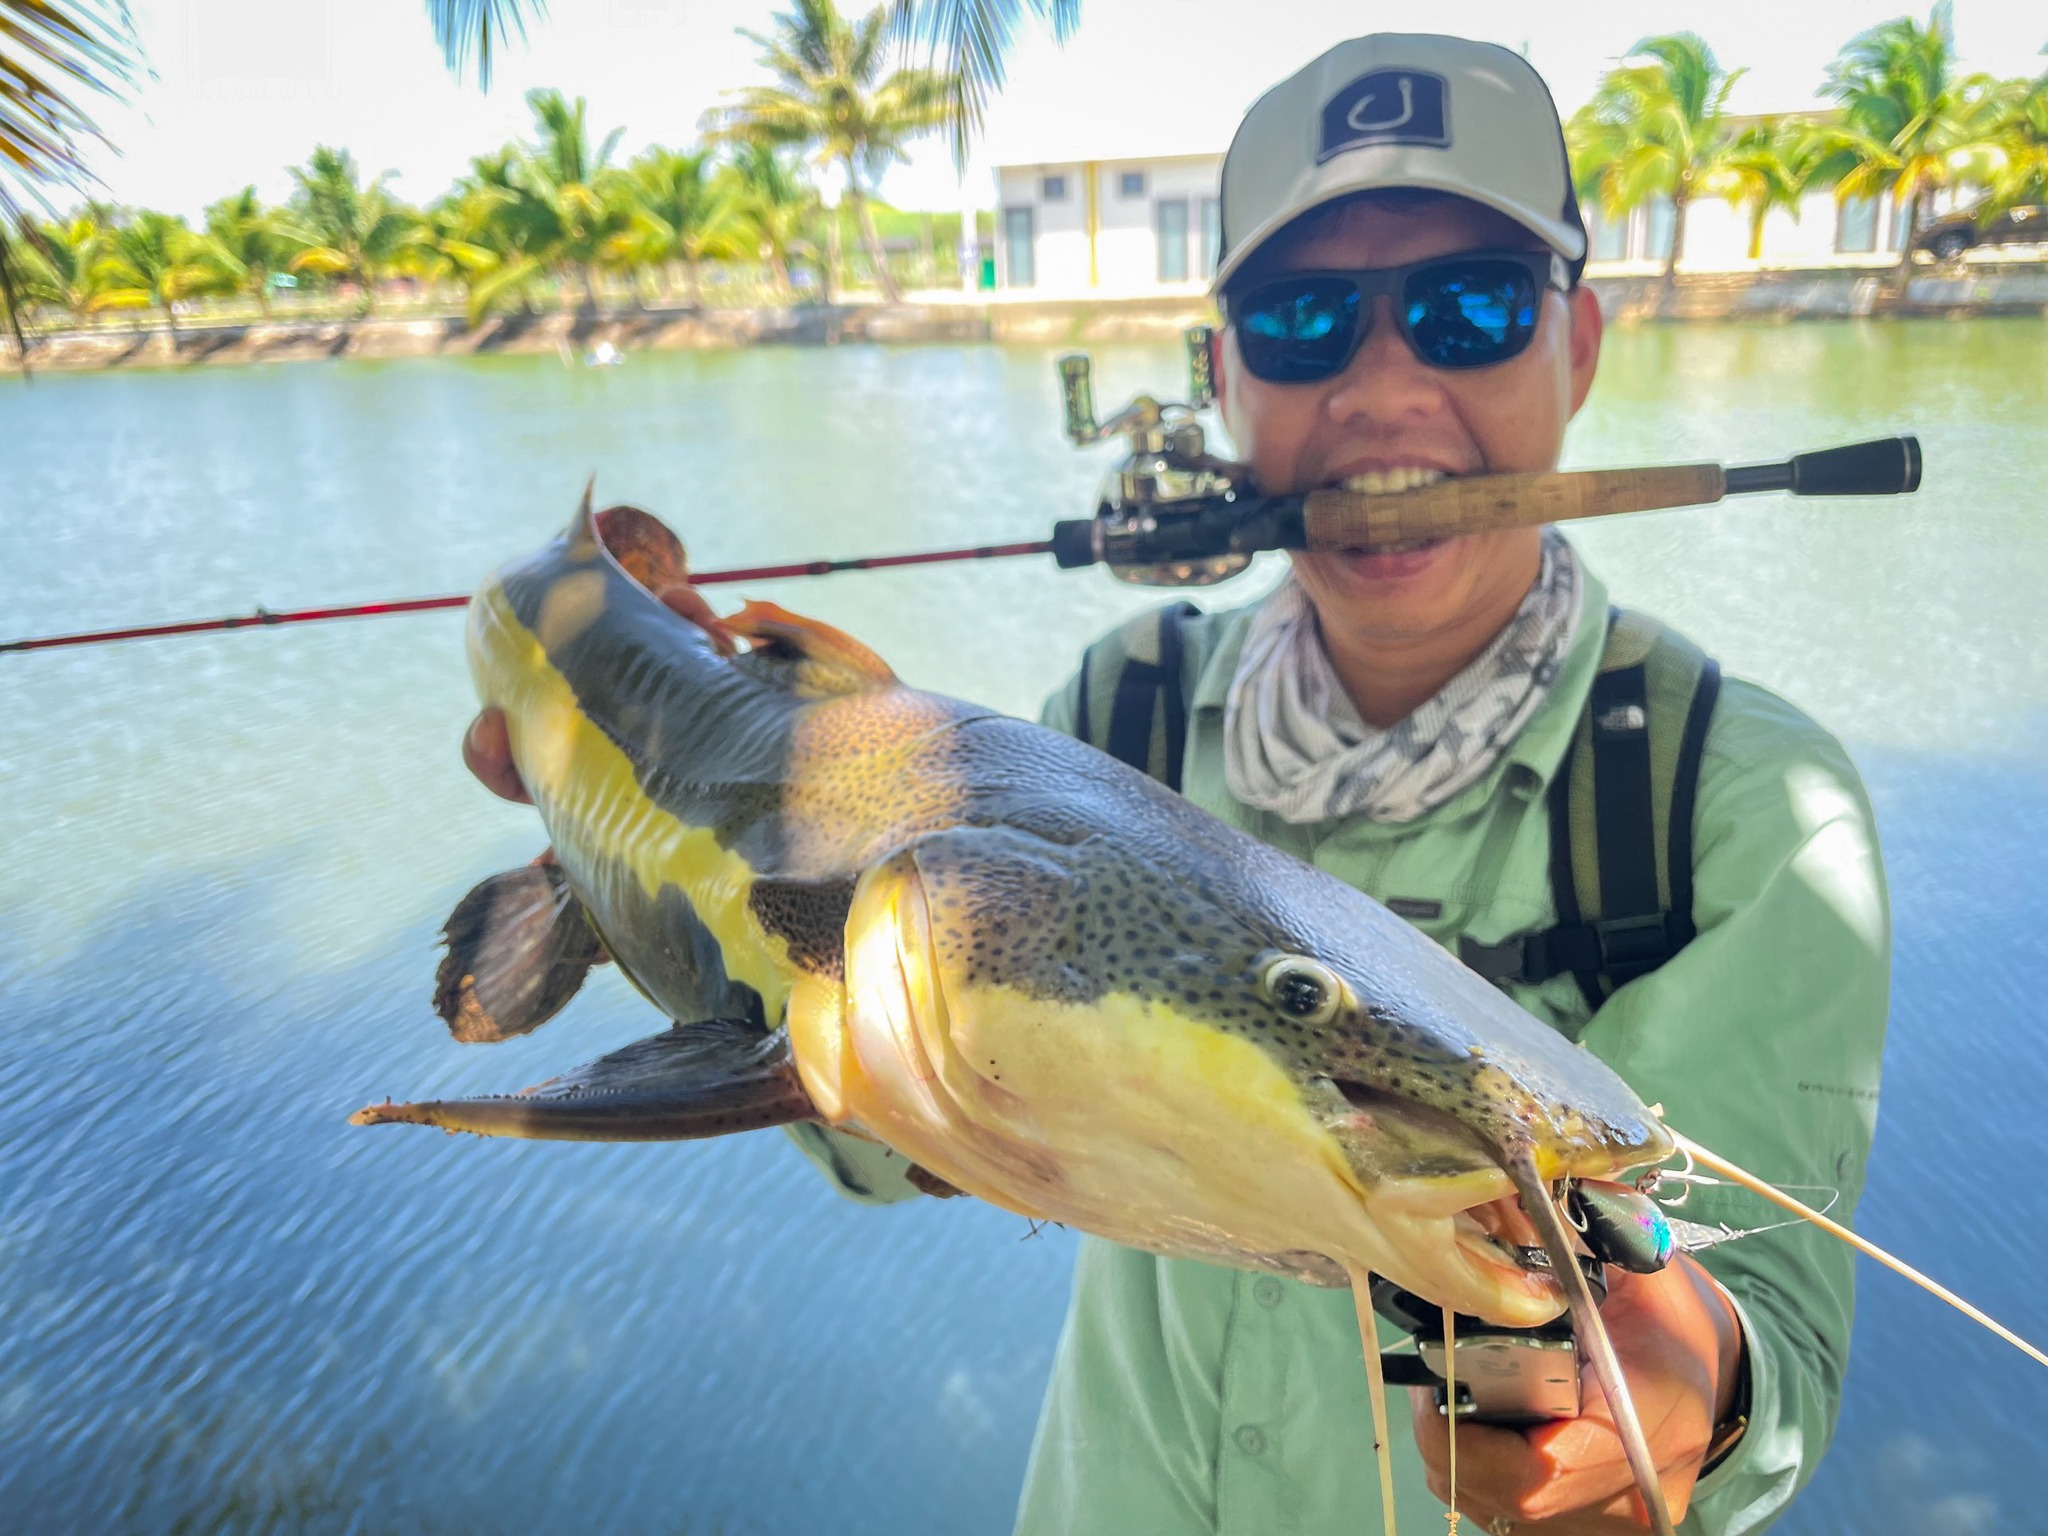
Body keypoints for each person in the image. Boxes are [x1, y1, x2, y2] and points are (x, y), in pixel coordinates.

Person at [462, 33, 1889, 1534]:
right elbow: (884, 1144)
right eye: (1302, 320)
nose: (1387, 387)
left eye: (1471, 309)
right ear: (1220, 375)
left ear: (1579, 347)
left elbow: (1771, 1340)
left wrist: (1699, 1402)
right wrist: (651, 889)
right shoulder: (1119, 706)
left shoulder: (1736, 805)